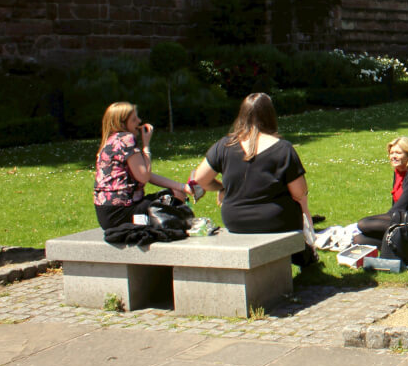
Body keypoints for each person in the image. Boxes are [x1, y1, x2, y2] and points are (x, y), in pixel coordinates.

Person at [190, 93, 315, 263]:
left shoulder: (224, 146)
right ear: (271, 116)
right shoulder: (282, 149)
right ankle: (303, 254)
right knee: (296, 208)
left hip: (236, 221)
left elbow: (200, 180)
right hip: (275, 220)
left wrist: (222, 188)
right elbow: (299, 193)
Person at [93, 102, 191, 230]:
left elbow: (145, 175)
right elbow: (144, 177)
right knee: (175, 197)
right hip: (122, 212)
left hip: (108, 214)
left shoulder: (112, 140)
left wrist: (183, 187)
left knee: (176, 192)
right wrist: (146, 146)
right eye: (134, 119)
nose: (139, 121)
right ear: (122, 124)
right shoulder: (126, 139)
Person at [355, 136, 408, 248]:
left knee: (364, 224)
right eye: (391, 153)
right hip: (404, 214)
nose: (393, 156)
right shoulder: (398, 171)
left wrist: (383, 222)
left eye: (398, 153)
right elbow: (395, 203)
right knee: (359, 239)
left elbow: (401, 204)